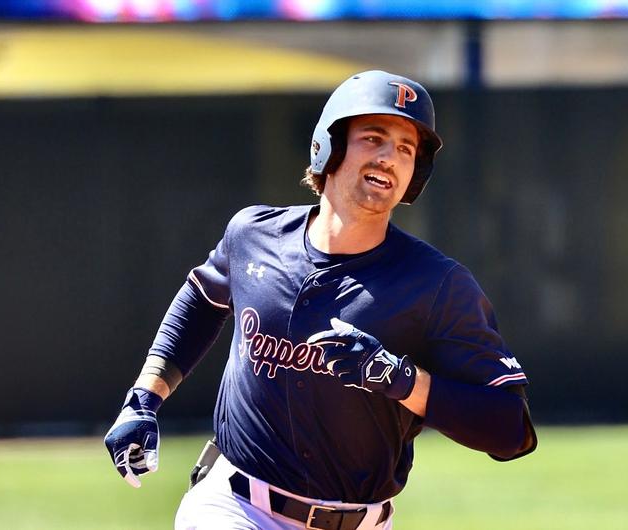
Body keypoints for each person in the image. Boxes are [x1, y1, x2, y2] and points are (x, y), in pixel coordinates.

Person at [104, 70, 537, 530]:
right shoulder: (252, 235)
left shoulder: (437, 284)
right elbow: (201, 299)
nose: (390, 157)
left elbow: (510, 429)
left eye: (406, 149)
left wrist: (404, 380)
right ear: (328, 146)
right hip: (235, 507)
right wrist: (143, 399)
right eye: (374, 138)